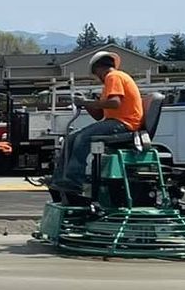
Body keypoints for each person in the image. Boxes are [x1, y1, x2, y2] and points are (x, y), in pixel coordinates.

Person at [50, 50, 145, 202]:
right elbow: (100, 115)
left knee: (83, 138)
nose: (98, 78)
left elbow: (115, 103)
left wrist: (86, 102)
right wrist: (86, 103)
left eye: (96, 74)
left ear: (99, 69)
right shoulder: (113, 80)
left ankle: (73, 184)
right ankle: (59, 180)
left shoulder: (113, 77)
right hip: (115, 122)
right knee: (72, 138)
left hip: (125, 123)